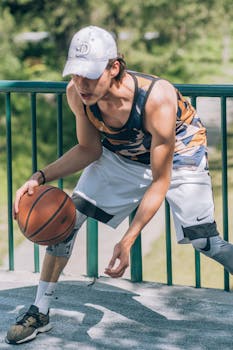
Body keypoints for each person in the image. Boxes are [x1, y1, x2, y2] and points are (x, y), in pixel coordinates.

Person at [5, 25, 233, 345]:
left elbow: (160, 180)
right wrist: (38, 176)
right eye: (75, 74)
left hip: (179, 152)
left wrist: (128, 239)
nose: (81, 84)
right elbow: (89, 149)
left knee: (205, 242)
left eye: (89, 75)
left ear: (114, 68)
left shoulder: (157, 98)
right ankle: (39, 310)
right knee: (66, 221)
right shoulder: (78, 95)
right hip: (121, 154)